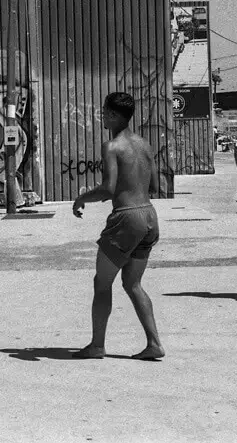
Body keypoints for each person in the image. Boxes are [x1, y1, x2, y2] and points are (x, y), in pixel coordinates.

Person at [71, 92, 164, 360]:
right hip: (149, 217)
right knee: (133, 283)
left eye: (104, 111)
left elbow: (108, 189)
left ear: (113, 115)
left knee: (102, 283)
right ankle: (154, 343)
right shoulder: (144, 145)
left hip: (127, 218)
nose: (102, 115)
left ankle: (97, 345)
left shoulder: (111, 146)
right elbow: (155, 186)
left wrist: (81, 198)